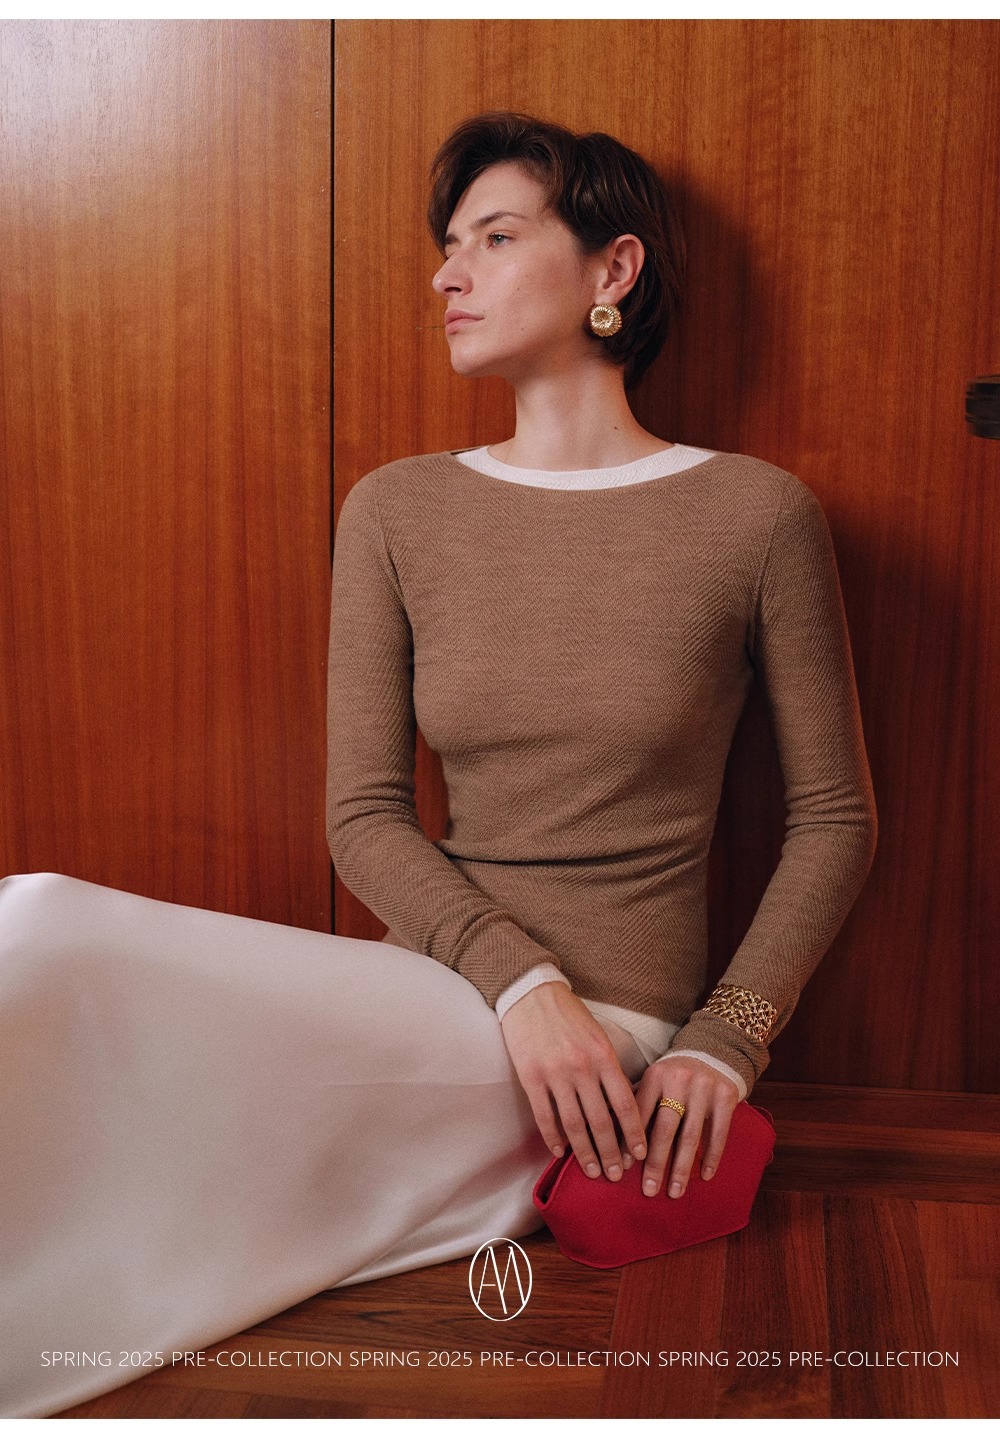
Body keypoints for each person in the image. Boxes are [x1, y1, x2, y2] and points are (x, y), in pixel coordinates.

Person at [0, 111, 877, 1420]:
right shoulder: (399, 508)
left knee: (46, 936)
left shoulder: (755, 515)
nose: (445, 273)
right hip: (445, 990)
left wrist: (725, 1043)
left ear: (613, 268)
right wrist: (519, 980)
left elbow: (835, 817)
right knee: (57, 1013)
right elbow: (363, 814)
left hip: (612, 1039)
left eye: (495, 237)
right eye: (448, 245)